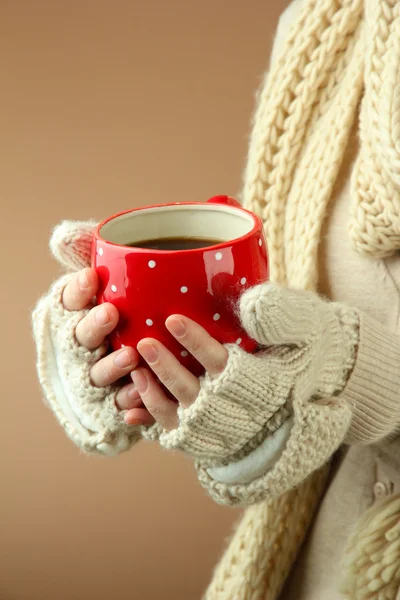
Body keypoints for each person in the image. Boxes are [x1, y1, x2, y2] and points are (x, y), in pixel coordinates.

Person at [32, 0, 400, 597]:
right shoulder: (324, 24)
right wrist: (103, 343)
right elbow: (277, 294)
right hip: (315, 567)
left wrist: (351, 371)